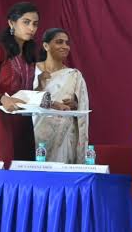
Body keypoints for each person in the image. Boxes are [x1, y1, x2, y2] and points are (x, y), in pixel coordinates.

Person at [0, 2, 40, 167]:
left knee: (25, 168)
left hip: (23, 121)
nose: (31, 28)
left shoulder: (30, 54)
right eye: (26, 22)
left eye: (35, 24)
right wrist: (2, 99)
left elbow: (26, 91)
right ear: (11, 23)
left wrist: (50, 102)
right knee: (4, 168)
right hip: (1, 119)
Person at [32, 28, 89, 163]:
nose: (65, 46)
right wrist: (39, 87)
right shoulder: (31, 70)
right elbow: (22, 100)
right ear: (46, 46)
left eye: (66, 43)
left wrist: (75, 105)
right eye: (59, 42)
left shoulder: (74, 75)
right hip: (33, 133)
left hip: (63, 138)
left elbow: (82, 107)